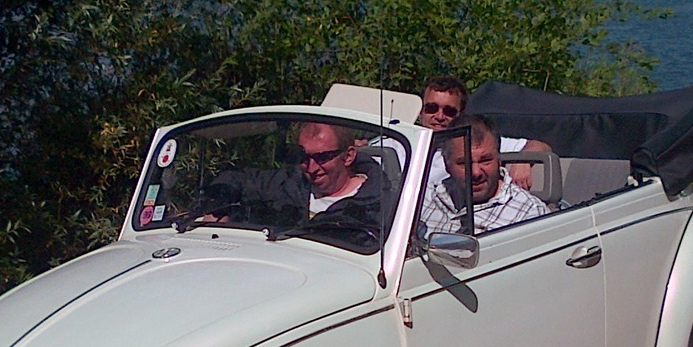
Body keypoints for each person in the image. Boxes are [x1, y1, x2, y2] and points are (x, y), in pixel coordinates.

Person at [200, 121, 390, 231]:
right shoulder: (289, 182)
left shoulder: (377, 206)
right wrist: (218, 204)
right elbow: (238, 178)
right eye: (303, 157)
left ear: (348, 156)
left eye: (322, 158)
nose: (312, 168)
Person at [420, 114, 549, 236]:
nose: (476, 172)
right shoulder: (425, 199)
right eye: (464, 163)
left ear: (499, 160)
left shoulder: (529, 215)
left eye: (485, 160)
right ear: (447, 165)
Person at [420, 76, 552, 190]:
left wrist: (523, 161)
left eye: (449, 111)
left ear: (461, 114)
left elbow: (541, 146)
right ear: (421, 111)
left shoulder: (476, 143)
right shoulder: (408, 144)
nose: (439, 116)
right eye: (431, 108)